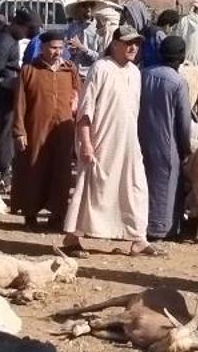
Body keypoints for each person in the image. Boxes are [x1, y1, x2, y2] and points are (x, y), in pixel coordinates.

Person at [63, 25, 149, 253]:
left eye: (136, 43)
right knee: (88, 187)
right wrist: (86, 143)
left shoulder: (135, 72)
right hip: (100, 141)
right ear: (115, 44)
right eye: (128, 42)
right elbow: (85, 109)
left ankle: (138, 237)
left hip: (128, 142)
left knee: (134, 186)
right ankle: (72, 238)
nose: (133, 47)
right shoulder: (100, 68)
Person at [11, 28, 80, 230]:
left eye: (60, 48)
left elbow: (79, 96)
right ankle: (30, 214)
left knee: (61, 171)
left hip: (63, 131)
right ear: (42, 48)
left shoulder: (70, 70)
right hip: (35, 129)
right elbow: (19, 104)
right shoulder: (29, 71)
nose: (57, 52)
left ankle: (58, 215)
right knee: (33, 169)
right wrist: (19, 131)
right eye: (52, 48)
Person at [138, 35, 195, 245]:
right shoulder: (177, 82)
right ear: (181, 56)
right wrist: (186, 147)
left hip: (139, 137)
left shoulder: (142, 74)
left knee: (143, 181)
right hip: (166, 139)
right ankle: (161, 228)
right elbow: (184, 120)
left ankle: (139, 223)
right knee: (166, 182)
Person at [0, 11, 31, 190]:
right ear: (16, 25)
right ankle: (4, 174)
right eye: (25, 29)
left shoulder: (9, 39)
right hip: (4, 95)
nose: (26, 33)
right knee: (6, 134)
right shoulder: (2, 42)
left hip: (10, 92)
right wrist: (16, 84)